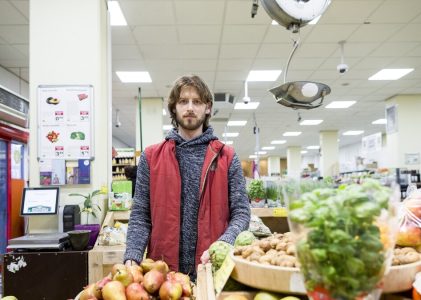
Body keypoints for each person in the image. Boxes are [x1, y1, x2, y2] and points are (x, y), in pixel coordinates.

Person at [124, 74, 250, 279]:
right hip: (161, 273)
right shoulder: (151, 156)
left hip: (211, 270)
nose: (190, 107)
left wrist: (224, 243)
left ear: (207, 107)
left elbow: (241, 212)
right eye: (183, 101)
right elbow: (140, 215)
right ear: (174, 107)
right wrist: (133, 256)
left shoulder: (226, 156)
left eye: (197, 102)